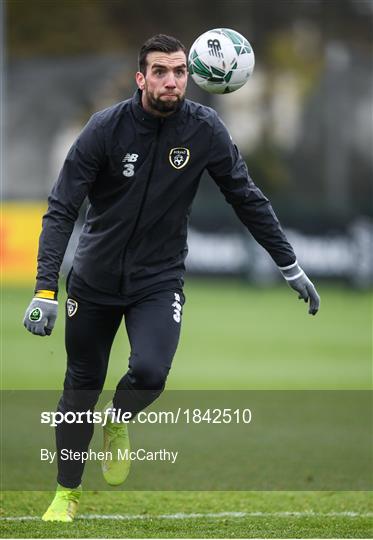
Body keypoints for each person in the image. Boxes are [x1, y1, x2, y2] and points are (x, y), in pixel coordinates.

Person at [23, 34, 320, 522]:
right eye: (160, 71)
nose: (172, 80)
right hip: (93, 281)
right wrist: (45, 289)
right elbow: (61, 209)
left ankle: (118, 421)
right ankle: (66, 493)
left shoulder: (204, 130)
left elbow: (246, 197)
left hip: (157, 280)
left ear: (191, 75)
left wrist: (289, 264)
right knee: (80, 388)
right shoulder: (105, 129)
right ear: (140, 78)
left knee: (151, 373)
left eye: (180, 71)